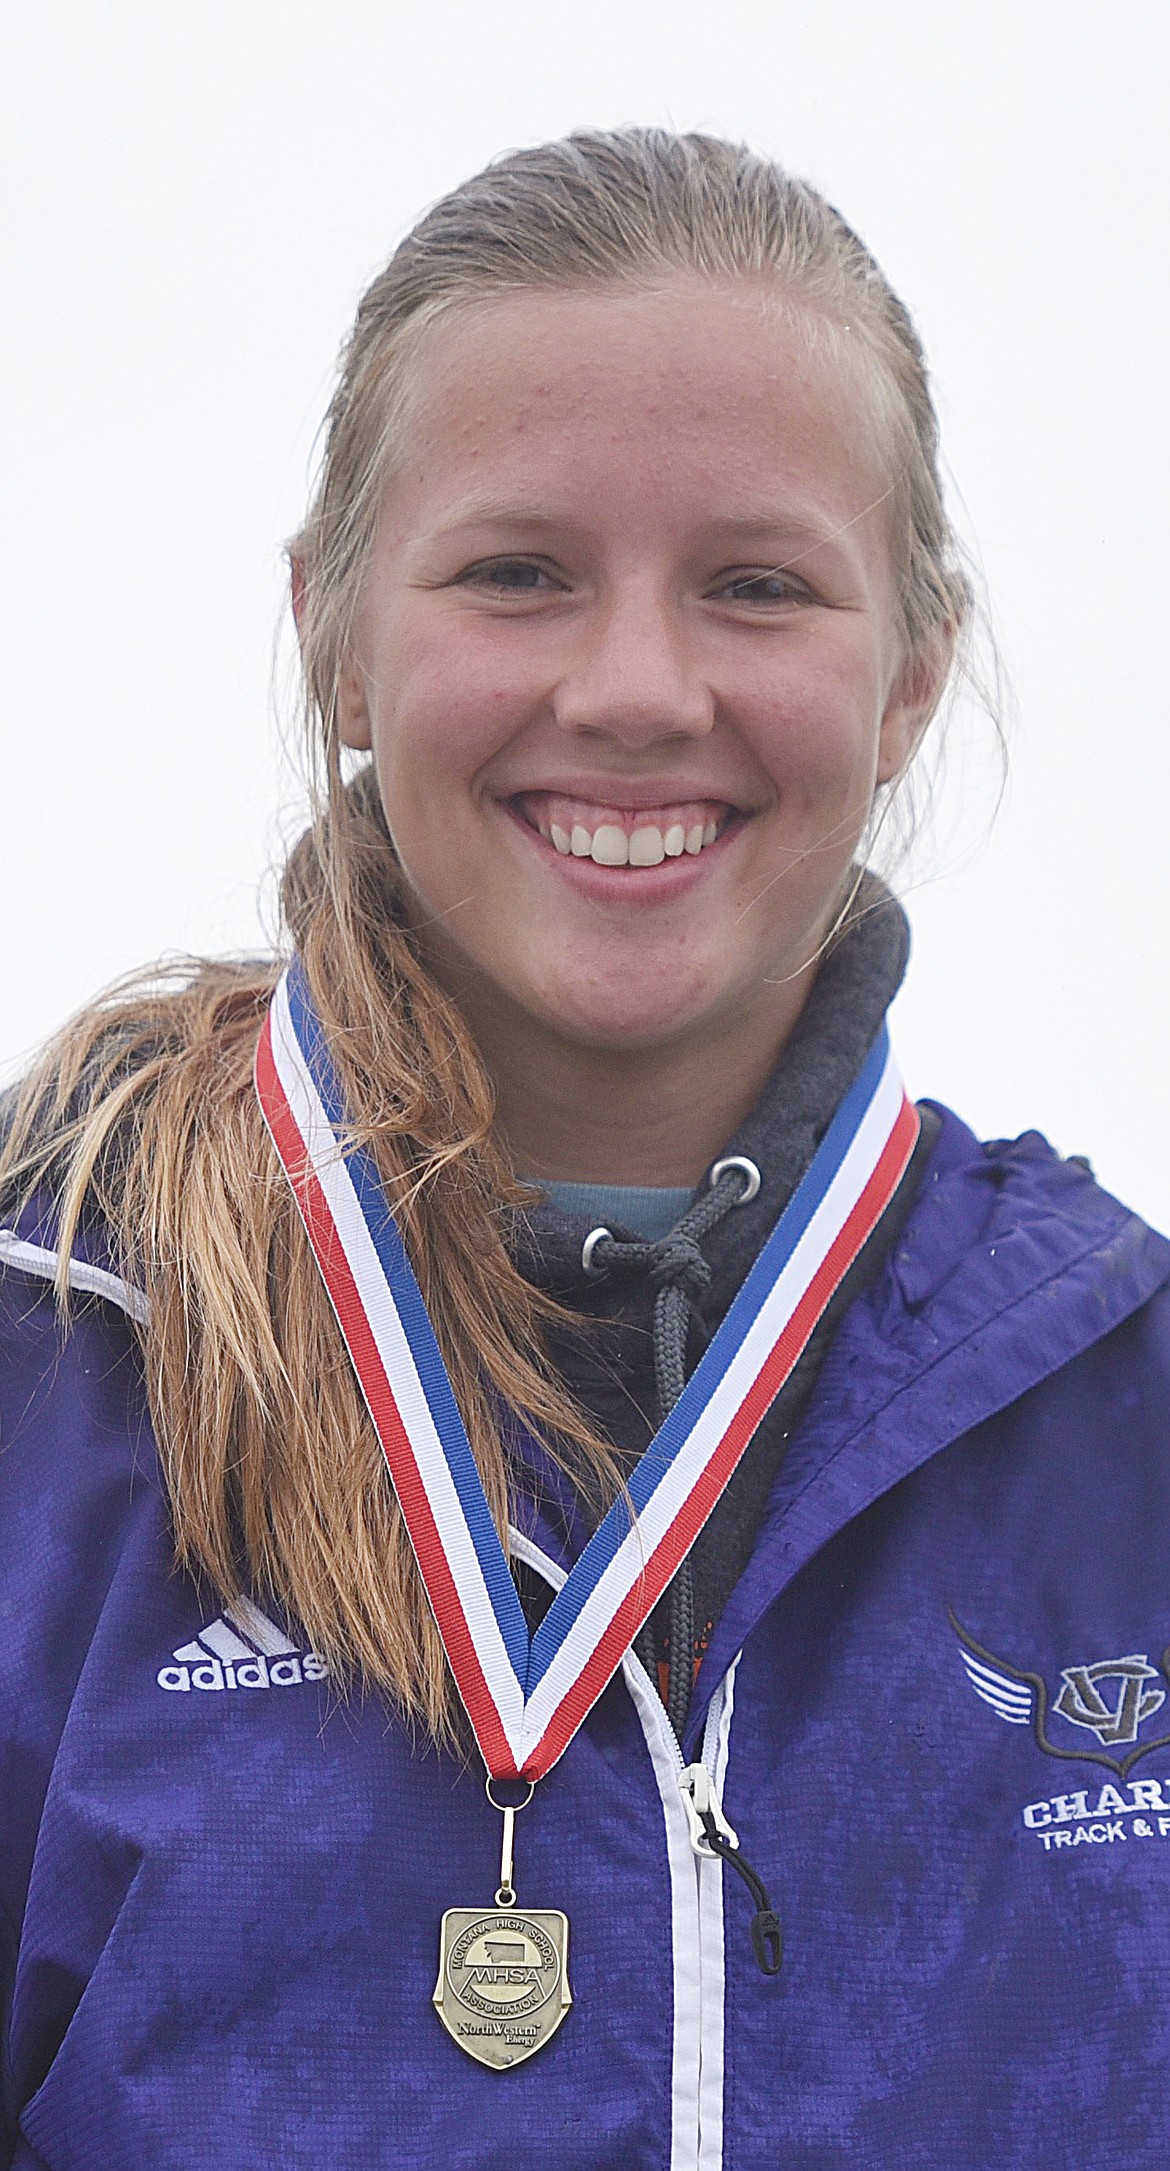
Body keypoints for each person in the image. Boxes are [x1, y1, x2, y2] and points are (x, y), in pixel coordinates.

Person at [1, 127, 1167, 2171]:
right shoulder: (48, 1362)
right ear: (335, 633)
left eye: (757, 586)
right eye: (519, 572)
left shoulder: (1118, 1408)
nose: (636, 689)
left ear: (910, 676)